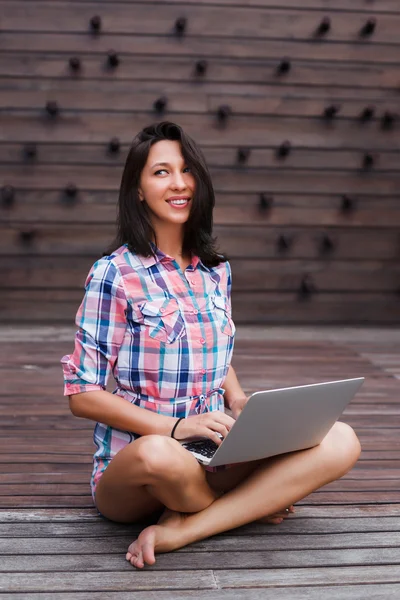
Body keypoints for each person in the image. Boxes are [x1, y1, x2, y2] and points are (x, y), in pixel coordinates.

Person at [61, 121, 361, 569]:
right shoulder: (115, 274)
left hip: (215, 454)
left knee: (341, 438)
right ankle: (250, 506)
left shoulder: (215, 272)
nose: (179, 183)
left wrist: (238, 399)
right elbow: (82, 395)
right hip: (140, 463)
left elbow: (212, 350)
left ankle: (188, 527)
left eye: (187, 171)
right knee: (160, 455)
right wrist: (176, 427)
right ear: (138, 190)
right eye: (161, 172)